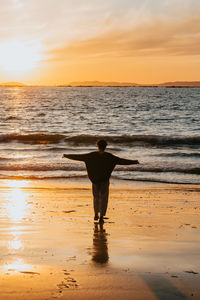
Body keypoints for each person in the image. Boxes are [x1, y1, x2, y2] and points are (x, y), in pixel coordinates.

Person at [63, 139, 139, 223]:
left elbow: (78, 157)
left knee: (96, 197)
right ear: (106, 147)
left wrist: (67, 155)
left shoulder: (91, 156)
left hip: (95, 180)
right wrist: (134, 162)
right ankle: (101, 217)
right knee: (104, 198)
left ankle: (96, 214)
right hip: (104, 180)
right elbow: (122, 161)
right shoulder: (110, 157)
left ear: (97, 146)